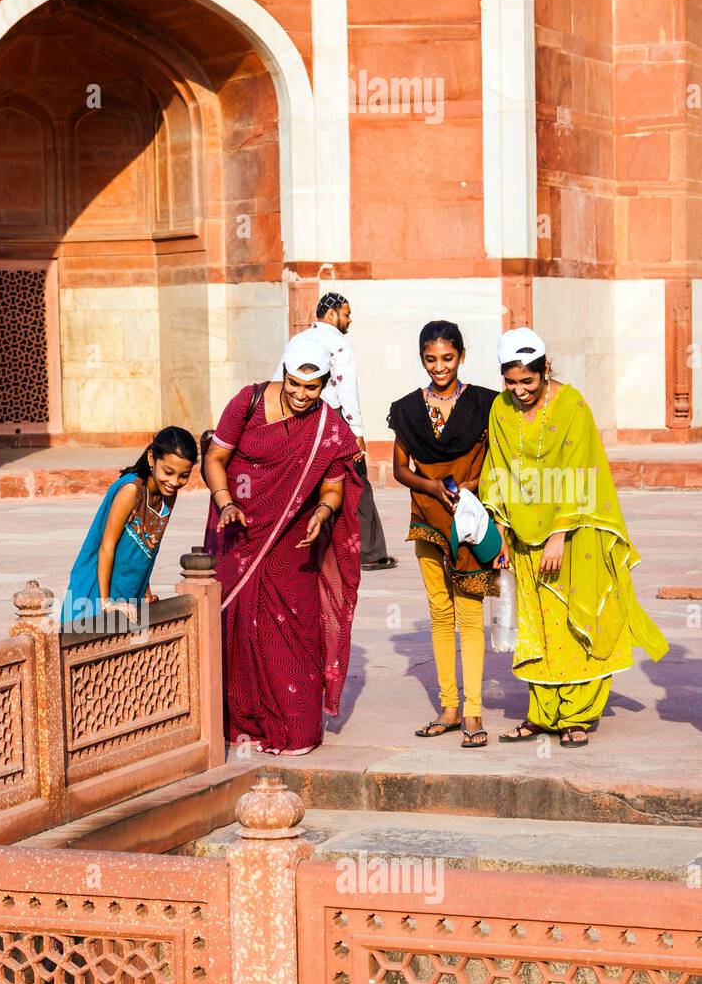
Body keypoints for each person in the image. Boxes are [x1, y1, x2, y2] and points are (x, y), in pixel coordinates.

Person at [481, 327, 668, 747]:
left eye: (528, 381)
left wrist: (558, 534)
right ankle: (542, 714)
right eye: (511, 382)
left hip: (572, 531)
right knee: (536, 623)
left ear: (545, 370)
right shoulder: (499, 409)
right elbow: (495, 466)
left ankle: (576, 716)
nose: (520, 391)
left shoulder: (572, 406)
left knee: (574, 620)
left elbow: (583, 472)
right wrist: (499, 527)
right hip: (522, 532)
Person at [203, 334, 362, 755]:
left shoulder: (328, 427)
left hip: (292, 539)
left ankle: (294, 726)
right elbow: (215, 459)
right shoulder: (247, 402)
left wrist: (323, 513)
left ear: (326, 383)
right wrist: (226, 502)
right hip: (237, 528)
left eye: (313, 387)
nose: (302, 395)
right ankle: (241, 723)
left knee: (294, 629)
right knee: (235, 623)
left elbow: (333, 487)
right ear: (285, 373)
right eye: (295, 384)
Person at [389, 320, 500, 748]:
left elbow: (497, 460)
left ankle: (473, 711)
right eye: (431, 359)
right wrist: (433, 486)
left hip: (470, 523)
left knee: (470, 616)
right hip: (428, 519)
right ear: (422, 359)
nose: (440, 366)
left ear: (462, 356)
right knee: (440, 613)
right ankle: (449, 707)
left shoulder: (486, 405)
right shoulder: (407, 410)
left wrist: (472, 488)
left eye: (447, 358)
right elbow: (401, 469)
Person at [274, 291, 396, 570]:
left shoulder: (298, 340)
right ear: (331, 314)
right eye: (346, 313)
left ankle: (301, 547)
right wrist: (357, 432)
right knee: (357, 481)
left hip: (297, 417)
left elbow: (277, 381)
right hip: (334, 419)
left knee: (306, 480)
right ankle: (370, 552)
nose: (349, 319)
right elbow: (346, 388)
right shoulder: (340, 343)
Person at [60, 425, 198, 627]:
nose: (174, 482)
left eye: (183, 475)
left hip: (129, 596)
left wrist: (146, 590)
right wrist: (106, 603)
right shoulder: (131, 490)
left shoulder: (168, 495)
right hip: (95, 594)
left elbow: (149, 547)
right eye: (168, 472)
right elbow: (107, 546)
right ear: (152, 459)